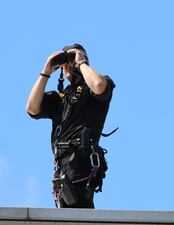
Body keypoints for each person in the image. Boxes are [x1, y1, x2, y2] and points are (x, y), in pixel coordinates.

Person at [26, 43, 116, 208]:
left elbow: (99, 86)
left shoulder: (96, 86)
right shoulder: (61, 98)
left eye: (70, 59)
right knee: (69, 211)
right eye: (64, 61)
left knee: (78, 208)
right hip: (64, 167)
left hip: (82, 161)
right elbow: (32, 108)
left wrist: (81, 63)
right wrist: (46, 71)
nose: (67, 65)